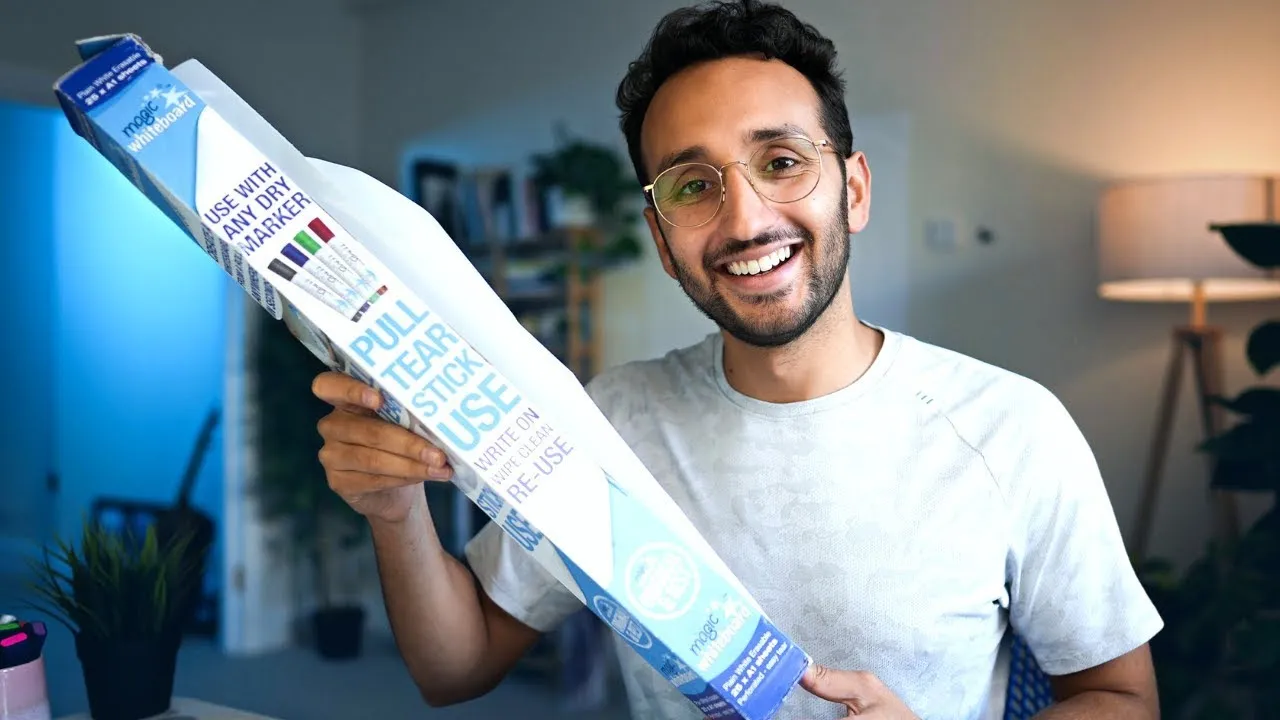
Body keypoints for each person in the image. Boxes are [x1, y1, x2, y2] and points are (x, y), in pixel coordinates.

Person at [310, 1, 1164, 718]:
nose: (746, 220)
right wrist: (395, 512)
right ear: (661, 238)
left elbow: (1122, 698)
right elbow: (455, 668)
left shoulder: (1013, 428)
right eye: (692, 185)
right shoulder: (614, 422)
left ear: (853, 189)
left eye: (781, 162)